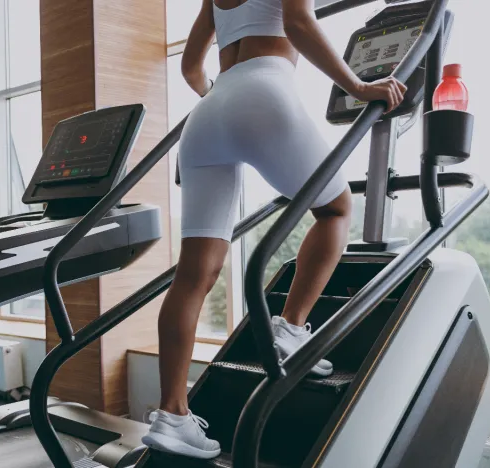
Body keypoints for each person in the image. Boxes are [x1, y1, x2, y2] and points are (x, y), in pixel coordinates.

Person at [142, 0, 407, 460]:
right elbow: (299, 22)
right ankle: (291, 327)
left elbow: (189, 67)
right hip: (264, 91)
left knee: (194, 274)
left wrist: (223, 101)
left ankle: (172, 415)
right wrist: (359, 86)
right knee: (336, 209)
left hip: (208, 113)